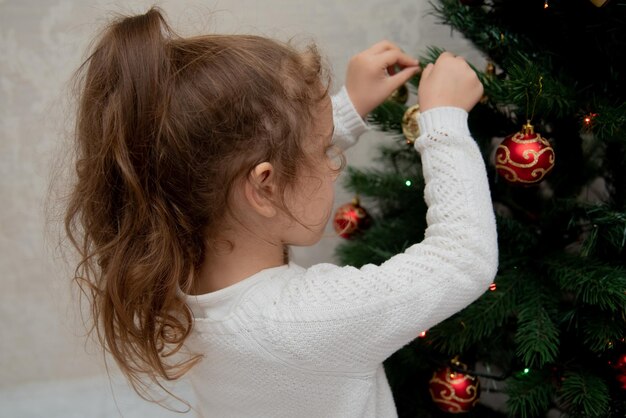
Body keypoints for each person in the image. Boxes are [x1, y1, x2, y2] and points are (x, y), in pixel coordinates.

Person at [63, 6, 497, 418]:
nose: (334, 165)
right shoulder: (313, 318)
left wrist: (347, 107)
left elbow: (262, 177)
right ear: (264, 187)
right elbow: (462, 258)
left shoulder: (174, 262)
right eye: (325, 150)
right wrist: (443, 122)